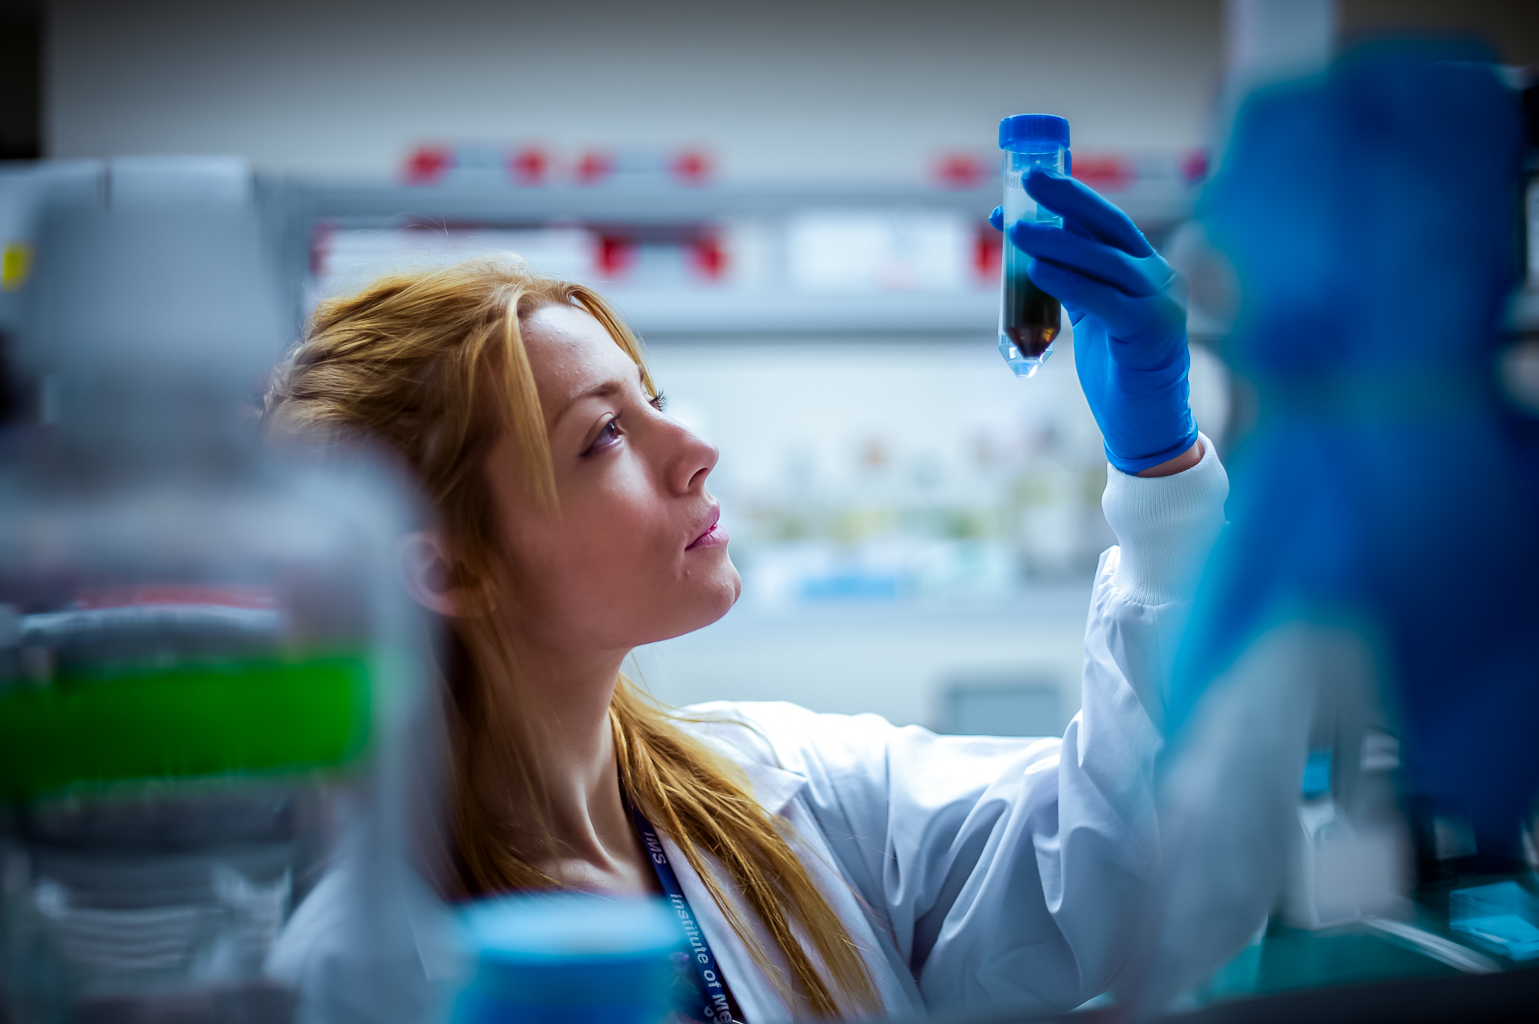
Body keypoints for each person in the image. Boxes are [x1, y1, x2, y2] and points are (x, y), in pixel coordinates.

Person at [262, 172, 1228, 1021]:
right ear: (449, 567)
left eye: (651, 396)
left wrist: (1160, 474)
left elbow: (1122, 869)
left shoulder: (777, 788)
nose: (695, 449)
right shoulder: (362, 971)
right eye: (602, 435)